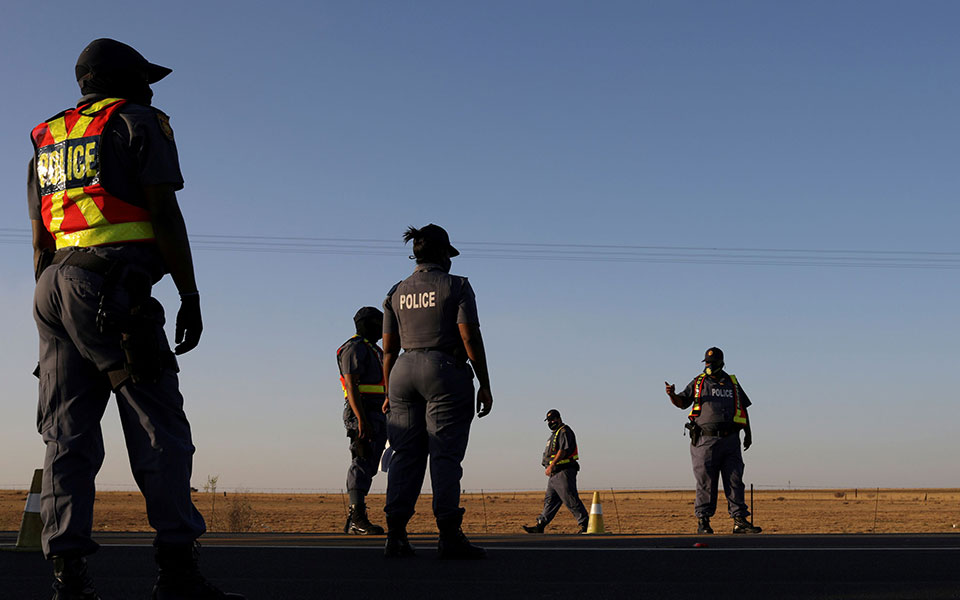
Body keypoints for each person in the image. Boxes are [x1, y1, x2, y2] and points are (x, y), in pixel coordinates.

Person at [28, 39, 243, 599]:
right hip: (111, 290)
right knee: (160, 427)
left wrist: (54, 321)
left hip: (52, 289)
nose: (151, 89)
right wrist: (190, 293)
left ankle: (67, 579)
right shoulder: (138, 120)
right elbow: (164, 212)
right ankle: (177, 572)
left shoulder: (47, 136)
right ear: (121, 80)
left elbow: (40, 237)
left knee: (66, 435)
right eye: (144, 79)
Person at [381, 224, 493, 559]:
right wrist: (485, 382)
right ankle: (448, 534)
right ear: (444, 255)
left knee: (406, 455)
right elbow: (469, 337)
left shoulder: (396, 291)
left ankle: (396, 535)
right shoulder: (456, 286)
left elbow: (388, 349)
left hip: (402, 372)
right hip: (444, 371)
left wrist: (388, 390)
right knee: (444, 454)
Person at [665, 347, 762, 535]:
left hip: (731, 440)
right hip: (705, 439)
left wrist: (748, 434)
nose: (708, 366)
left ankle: (739, 521)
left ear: (721, 363)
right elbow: (682, 403)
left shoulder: (732, 383)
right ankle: (704, 521)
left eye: (712, 363)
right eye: (706, 363)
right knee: (706, 482)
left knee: (735, 480)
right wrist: (672, 395)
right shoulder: (699, 382)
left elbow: (743, 409)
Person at [337, 306, 388, 535]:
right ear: (369, 324)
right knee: (362, 457)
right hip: (363, 411)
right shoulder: (354, 348)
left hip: (377, 411)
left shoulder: (374, 349)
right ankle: (356, 517)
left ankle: (356, 518)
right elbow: (351, 384)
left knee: (370, 462)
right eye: (380, 323)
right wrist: (361, 419)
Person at [522, 409, 588, 534]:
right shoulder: (554, 434)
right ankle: (540, 525)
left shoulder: (564, 431)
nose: (550, 422)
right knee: (550, 500)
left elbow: (562, 450)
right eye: (548, 420)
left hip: (564, 471)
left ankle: (585, 524)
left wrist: (552, 465)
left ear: (559, 418)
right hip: (554, 474)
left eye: (553, 419)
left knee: (570, 498)